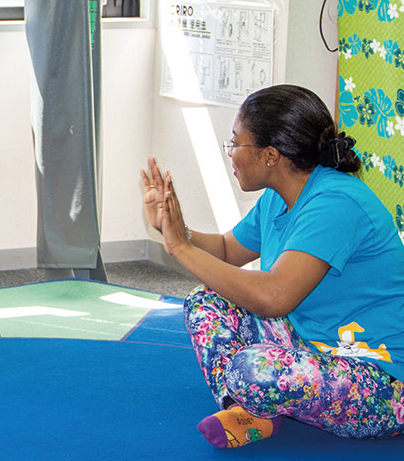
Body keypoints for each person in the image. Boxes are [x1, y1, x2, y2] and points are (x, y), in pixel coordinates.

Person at [141, 84, 404, 449]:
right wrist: (175, 227)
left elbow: (274, 297)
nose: (230, 154)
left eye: (236, 143)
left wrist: (179, 248)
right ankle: (244, 410)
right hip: (314, 349)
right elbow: (226, 250)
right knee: (207, 301)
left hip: (382, 379)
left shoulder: (336, 203)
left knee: (253, 370)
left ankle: (254, 396)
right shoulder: (278, 198)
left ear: (269, 155)